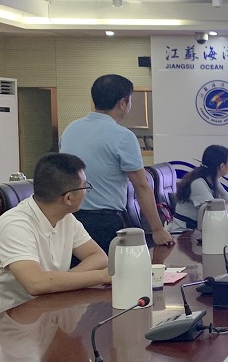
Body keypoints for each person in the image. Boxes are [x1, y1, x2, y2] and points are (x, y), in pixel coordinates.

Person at [0, 153, 112, 323]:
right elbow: (35, 283)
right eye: (85, 187)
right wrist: (102, 276)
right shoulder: (15, 225)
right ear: (69, 198)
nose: (86, 192)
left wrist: (60, 281)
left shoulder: (66, 218)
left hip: (38, 311)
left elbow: (98, 257)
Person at [60, 74, 173, 251]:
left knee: (78, 268)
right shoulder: (123, 136)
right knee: (105, 268)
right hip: (104, 223)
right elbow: (141, 186)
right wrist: (158, 230)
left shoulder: (70, 129)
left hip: (69, 219)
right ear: (122, 103)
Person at [169, 145, 228, 231]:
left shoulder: (213, 180)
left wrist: (225, 209)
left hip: (197, 231)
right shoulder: (197, 183)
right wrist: (225, 209)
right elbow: (214, 215)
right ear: (222, 166)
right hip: (183, 233)